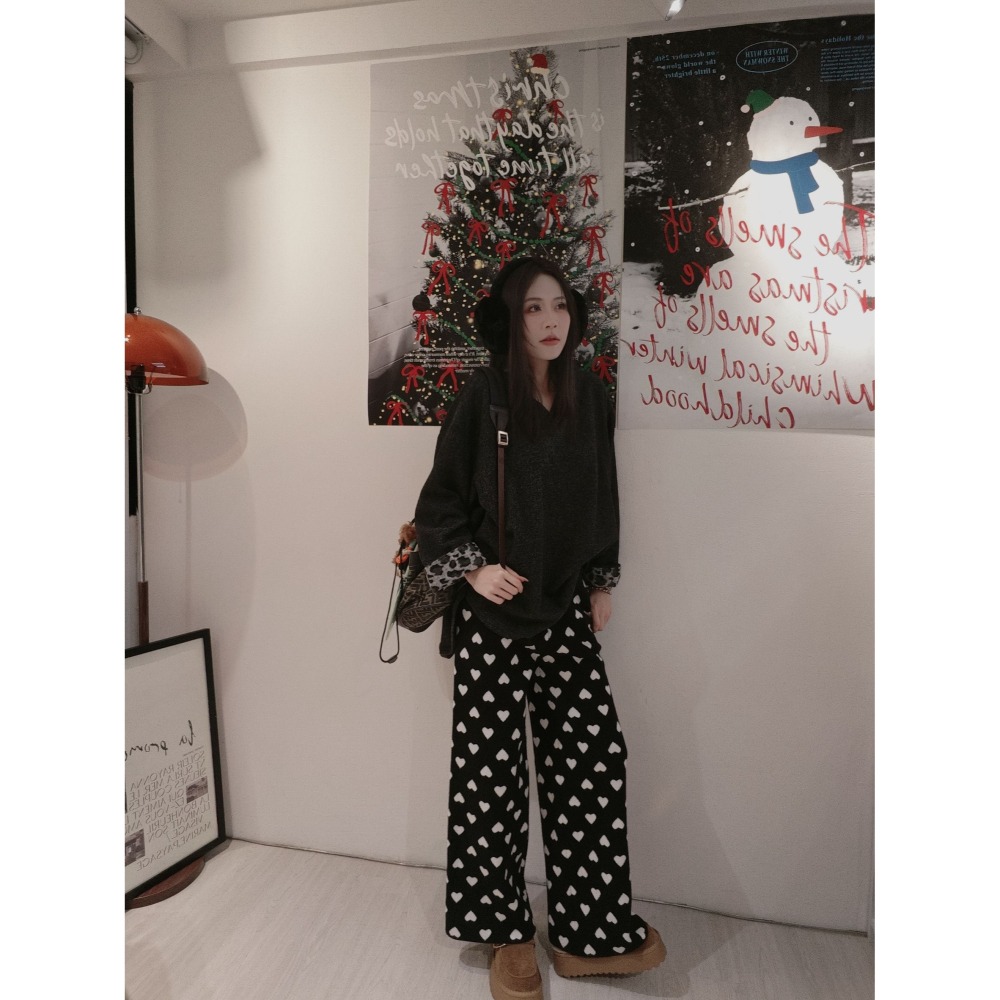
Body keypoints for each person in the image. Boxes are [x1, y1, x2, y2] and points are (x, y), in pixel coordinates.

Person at [414, 257, 666, 1000]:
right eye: (532, 308)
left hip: (563, 611)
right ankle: (505, 933)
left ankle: (590, 929)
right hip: (494, 616)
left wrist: (601, 578)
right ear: (510, 319)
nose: (550, 321)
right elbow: (440, 502)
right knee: (490, 781)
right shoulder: (485, 395)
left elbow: (602, 491)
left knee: (593, 760)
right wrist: (472, 571)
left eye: (559, 306)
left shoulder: (589, 394)